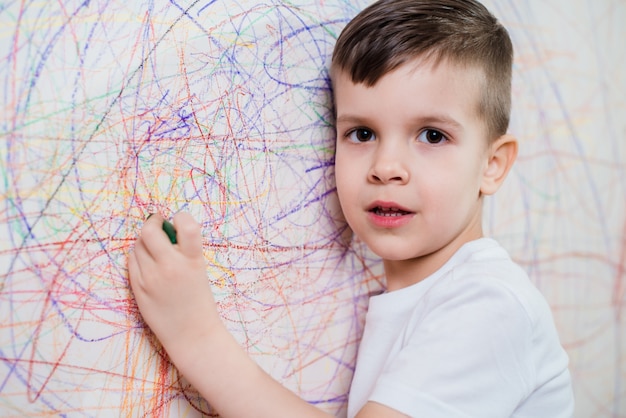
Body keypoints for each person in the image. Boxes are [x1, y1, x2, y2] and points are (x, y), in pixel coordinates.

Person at [128, 0, 575, 417]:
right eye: (362, 134)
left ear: (492, 166)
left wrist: (195, 335)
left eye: (432, 136)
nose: (386, 167)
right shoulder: (429, 297)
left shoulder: (490, 303)